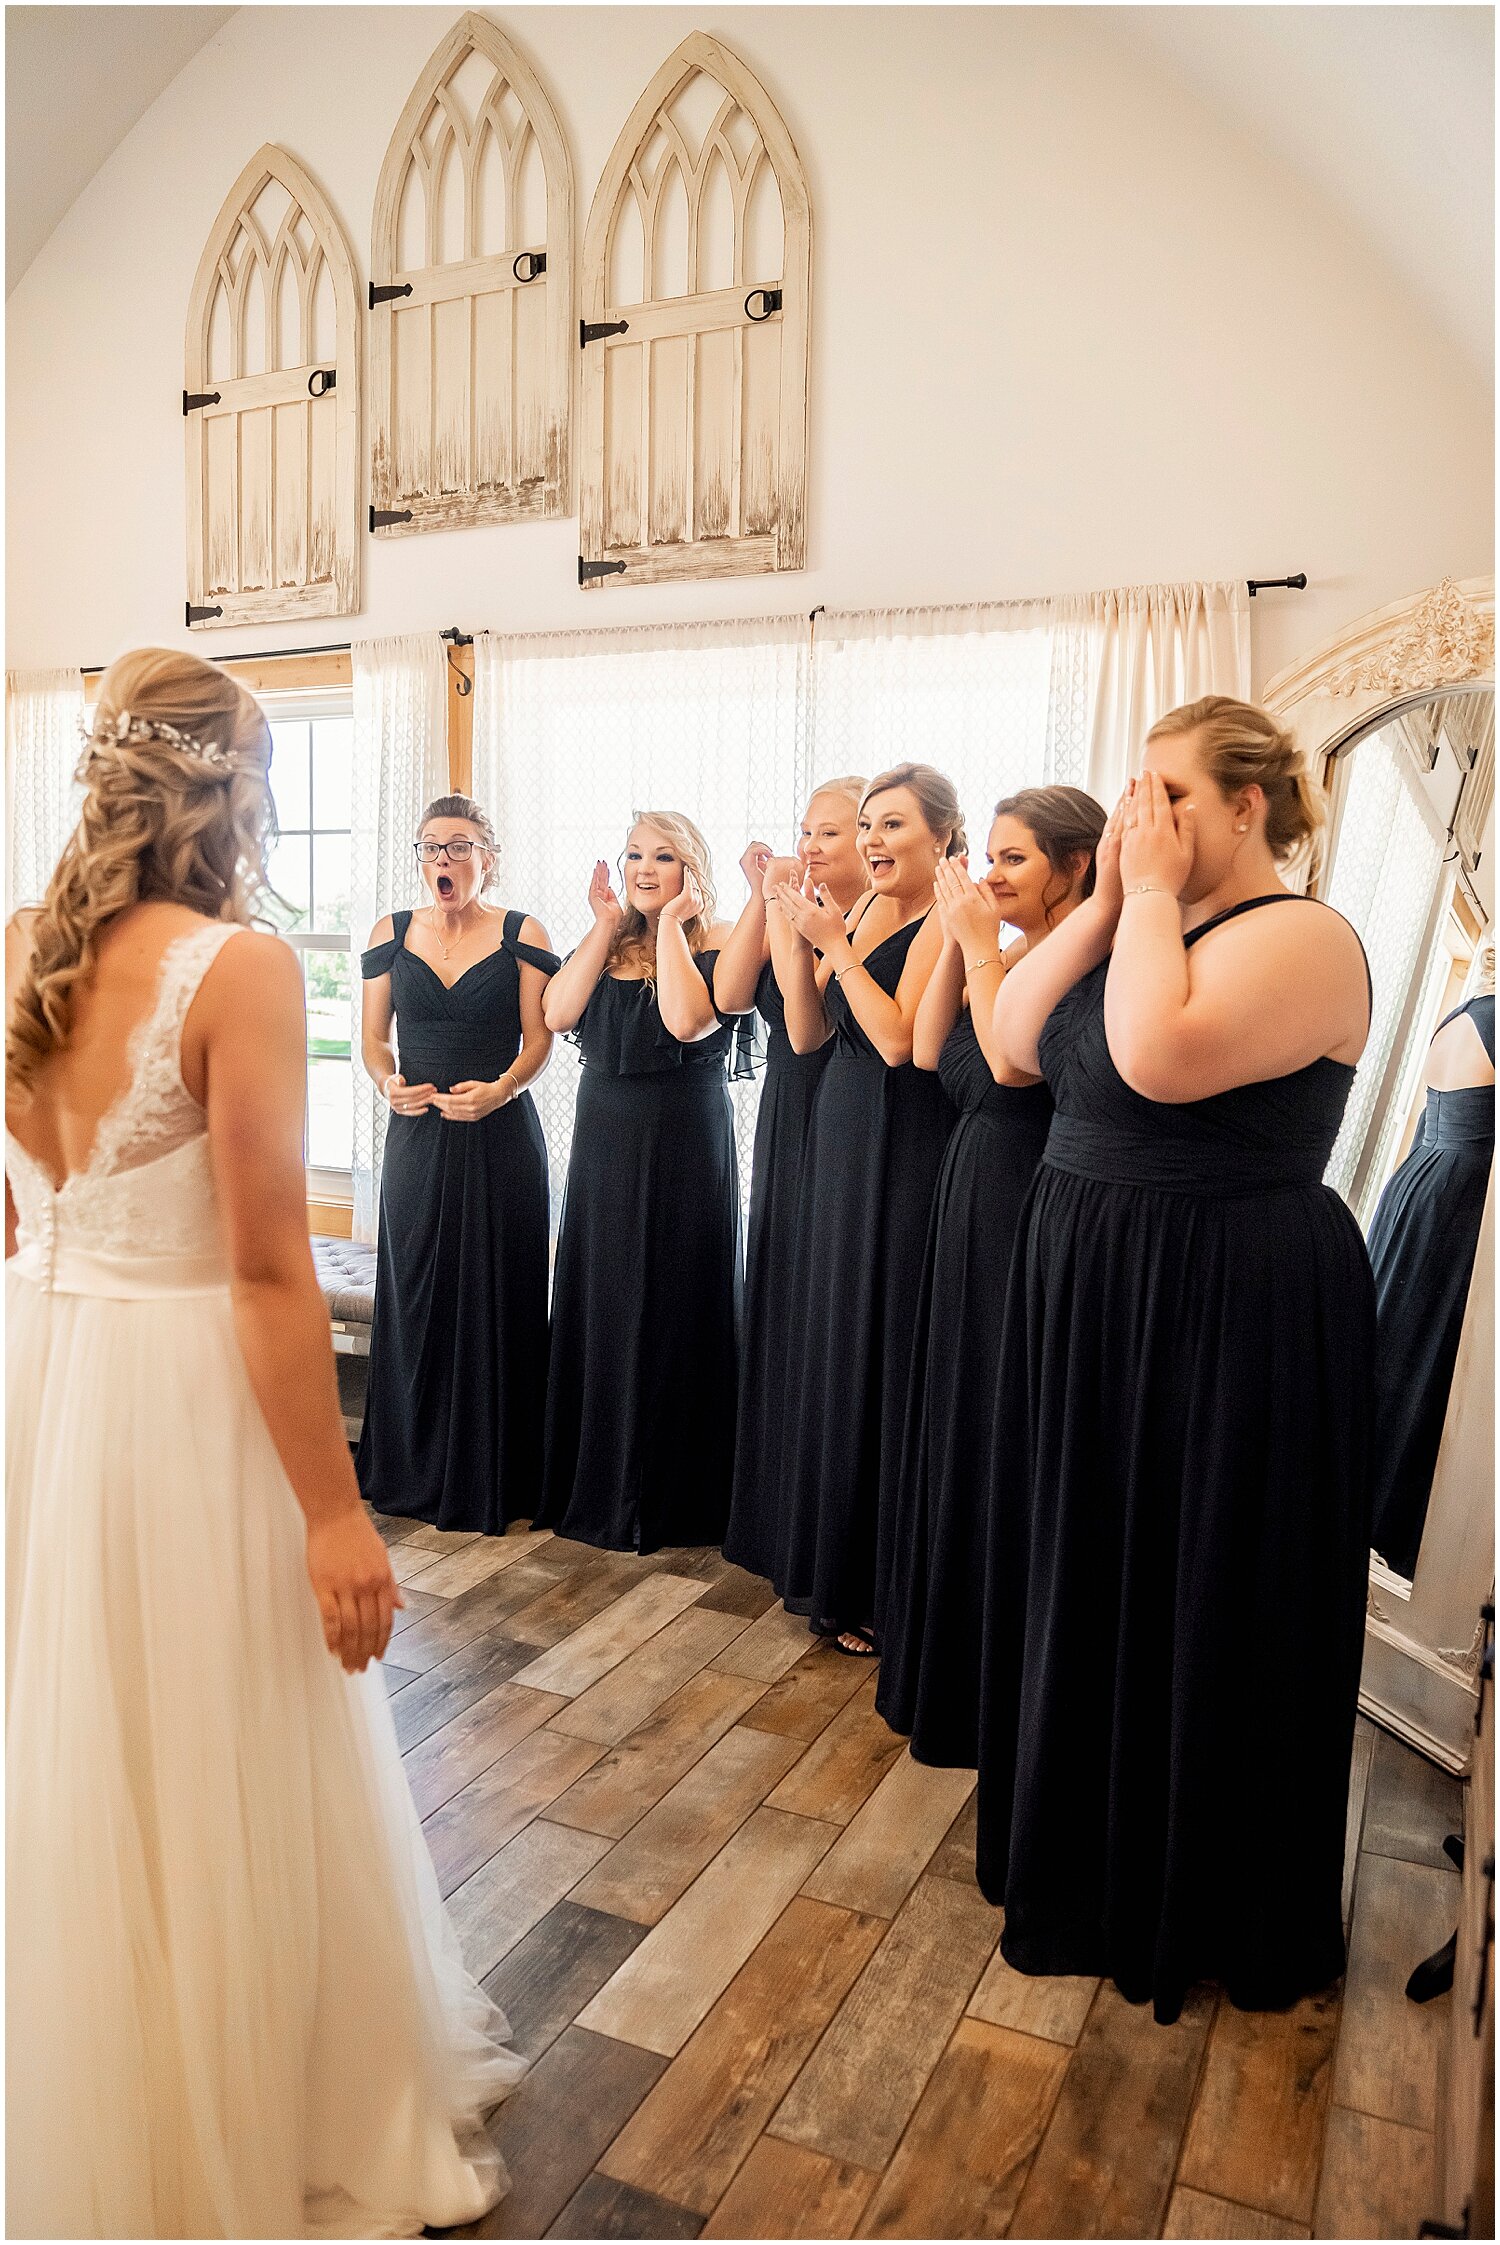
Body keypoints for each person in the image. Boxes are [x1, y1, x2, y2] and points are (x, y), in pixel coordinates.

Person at [4, 649, 523, 2239]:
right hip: (181, 1392)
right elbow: (266, 1265)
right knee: (222, 1735)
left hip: (46, 1364)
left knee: (75, 1733)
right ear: (235, 787)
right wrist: (335, 1512)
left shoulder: (21, 949)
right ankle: (247, 2109)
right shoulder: (235, 967)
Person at [974, 696, 1374, 2025]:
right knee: (1087, 1568)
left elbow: (1156, 1056)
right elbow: (1013, 1040)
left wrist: (1139, 896)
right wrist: (1104, 903)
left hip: (1229, 1300)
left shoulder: (1308, 937)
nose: (1143, 815)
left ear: (1248, 807)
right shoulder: (1136, 923)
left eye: (1172, 793)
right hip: (1091, 1286)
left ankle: (1200, 1894)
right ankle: (1083, 1865)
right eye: (1133, 791)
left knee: (1208, 1581)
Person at [877, 786, 1105, 1763]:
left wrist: (972, 941)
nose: (994, 874)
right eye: (993, 855)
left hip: (1030, 1201)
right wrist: (954, 927)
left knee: (1002, 1423)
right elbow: (931, 1052)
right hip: (967, 1190)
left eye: (1016, 859)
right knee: (956, 1418)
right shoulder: (1002, 953)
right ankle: (943, 1655)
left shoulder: (1083, 962)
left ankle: (998, 1673)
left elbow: (1013, 1069)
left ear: (1077, 868)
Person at [770, 765, 960, 1653]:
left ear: (943, 837)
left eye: (893, 826)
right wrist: (789, 924)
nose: (876, 841)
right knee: (837, 1337)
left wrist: (835, 948)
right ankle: (827, 1565)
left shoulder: (940, 922)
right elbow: (807, 1031)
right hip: (838, 1131)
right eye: (870, 826)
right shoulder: (863, 910)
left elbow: (898, 1040)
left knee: (884, 1346)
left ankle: (882, 1585)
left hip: (905, 1142)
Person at [539, 814, 741, 1551]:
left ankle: (674, 1494)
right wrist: (604, 924)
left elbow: (689, 1021)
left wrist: (671, 929)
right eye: (634, 855)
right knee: (605, 1291)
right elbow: (558, 1012)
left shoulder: (714, 941)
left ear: (692, 867)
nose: (645, 867)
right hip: (606, 1139)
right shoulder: (607, 941)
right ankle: (597, 1483)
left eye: (664, 855)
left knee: (677, 1293)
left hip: (687, 1136)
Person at [358, 795, 557, 1532]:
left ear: (488, 856)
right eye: (430, 848)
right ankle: (410, 1466)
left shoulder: (522, 932)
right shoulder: (391, 932)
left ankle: (493, 1475)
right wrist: (386, 1082)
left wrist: (502, 1088)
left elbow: (540, 1038)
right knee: (416, 1294)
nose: (443, 861)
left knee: (496, 1293)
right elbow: (374, 1036)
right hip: (415, 1135)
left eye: (459, 846)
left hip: (500, 1138)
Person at [715, 779, 868, 1582]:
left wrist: (803, 925)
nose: (809, 844)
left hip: (843, 1103)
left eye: (830, 832)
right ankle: (777, 1512)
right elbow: (731, 996)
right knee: (782, 1292)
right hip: (787, 1107)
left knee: (828, 1301)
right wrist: (763, 901)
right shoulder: (793, 902)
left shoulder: (868, 920)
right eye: (804, 829)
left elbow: (818, 1030)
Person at [1366, 951, 1495, 1577]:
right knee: (1423, 1364)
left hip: (1419, 1185)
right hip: (1458, 1203)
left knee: (1396, 1347)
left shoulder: (1463, 1014)